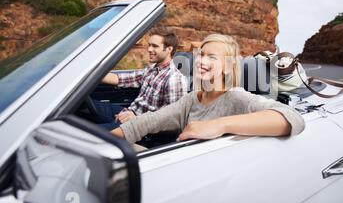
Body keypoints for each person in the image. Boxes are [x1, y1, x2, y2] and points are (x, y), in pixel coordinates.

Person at [111, 34, 305, 143]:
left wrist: (220, 125)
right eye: (201, 54)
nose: (201, 61)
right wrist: (108, 139)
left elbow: (293, 118)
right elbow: (149, 122)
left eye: (212, 57)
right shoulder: (192, 99)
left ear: (228, 67)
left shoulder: (237, 97)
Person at [94, 30, 188, 130]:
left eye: (155, 46)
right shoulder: (151, 68)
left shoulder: (175, 79)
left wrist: (137, 119)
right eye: (149, 45)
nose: (149, 49)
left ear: (169, 49)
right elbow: (120, 79)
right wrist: (91, 73)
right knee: (84, 104)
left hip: (141, 128)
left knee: (88, 135)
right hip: (129, 113)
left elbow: (172, 120)